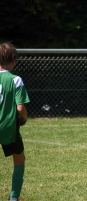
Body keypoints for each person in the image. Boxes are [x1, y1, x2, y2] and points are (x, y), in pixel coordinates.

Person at [0, 42, 30, 201]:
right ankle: (13, 197)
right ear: (13, 61)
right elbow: (20, 109)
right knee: (19, 160)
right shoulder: (15, 80)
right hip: (8, 127)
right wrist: (24, 118)